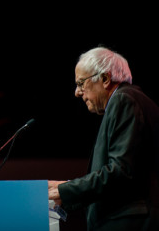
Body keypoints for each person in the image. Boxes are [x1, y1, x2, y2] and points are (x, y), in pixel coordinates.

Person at [48, 46, 159, 231]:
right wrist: (67, 188)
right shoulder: (135, 101)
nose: (77, 92)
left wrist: (65, 190)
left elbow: (120, 172)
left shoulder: (124, 100)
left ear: (105, 79)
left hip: (129, 221)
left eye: (81, 83)